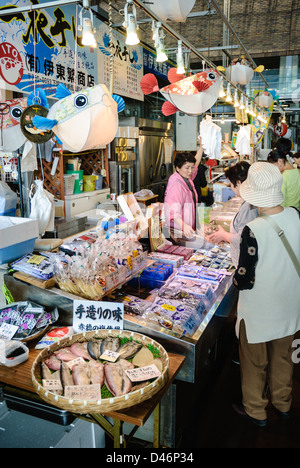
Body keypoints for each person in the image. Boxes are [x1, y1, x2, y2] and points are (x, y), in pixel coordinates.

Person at [232, 161, 300, 427]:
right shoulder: (295, 215)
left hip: (259, 311)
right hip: (289, 305)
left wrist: (234, 278)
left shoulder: (254, 230)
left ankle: (256, 411)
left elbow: (244, 280)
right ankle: (283, 404)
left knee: (254, 362)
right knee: (283, 359)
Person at [207, 161, 258, 267]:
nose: (231, 187)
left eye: (231, 183)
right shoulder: (249, 201)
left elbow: (243, 238)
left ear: (238, 183)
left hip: (244, 263)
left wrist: (223, 235)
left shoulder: (249, 207)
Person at [164, 147, 203, 239]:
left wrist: (201, 148)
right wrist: (184, 225)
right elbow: (173, 210)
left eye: (192, 167)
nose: (190, 171)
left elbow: (195, 165)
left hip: (187, 228)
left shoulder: (186, 178)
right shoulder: (176, 185)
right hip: (179, 231)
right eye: (187, 168)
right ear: (177, 168)